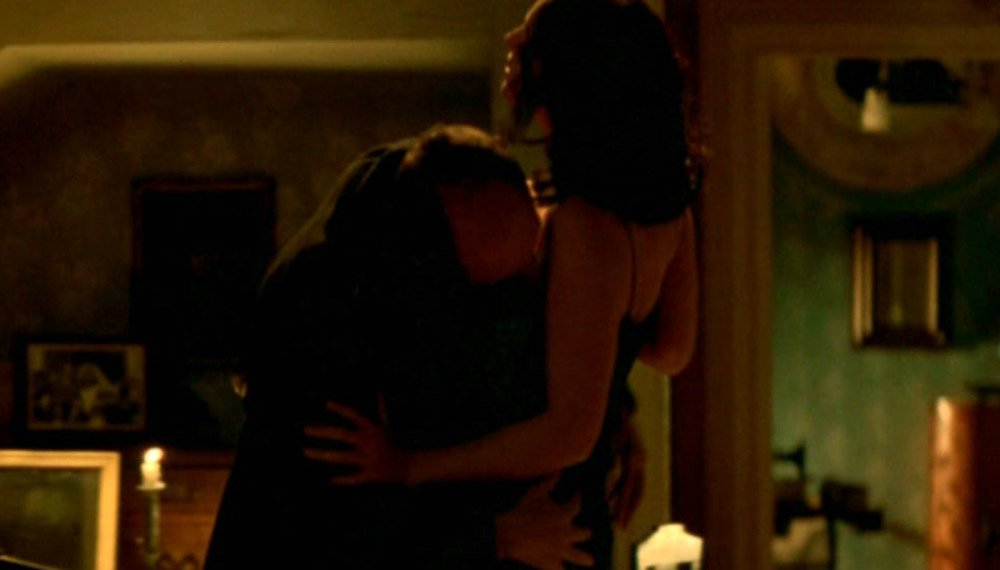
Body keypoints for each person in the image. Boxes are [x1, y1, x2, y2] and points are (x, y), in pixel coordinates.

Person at [303, 0, 700, 568]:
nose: (512, 39)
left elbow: (570, 432)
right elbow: (671, 349)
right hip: (557, 514)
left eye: (532, 36)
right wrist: (605, 383)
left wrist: (409, 466)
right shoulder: (666, 213)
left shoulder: (584, 225)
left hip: (533, 518)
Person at [205, 124, 593, 569]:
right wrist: (497, 537)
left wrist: (601, 398)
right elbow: (327, 523)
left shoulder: (417, 192)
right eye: (482, 288)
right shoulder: (321, 320)